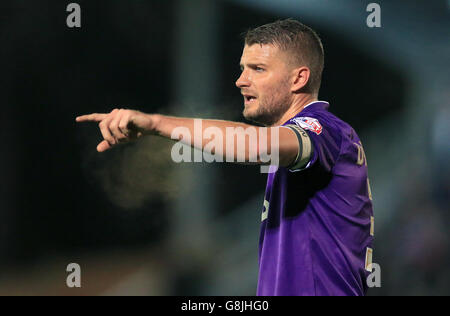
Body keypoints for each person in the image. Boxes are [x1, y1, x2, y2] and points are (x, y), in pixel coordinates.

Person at [76, 19, 374, 296]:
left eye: (258, 69)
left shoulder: (324, 130)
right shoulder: (304, 150)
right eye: (243, 68)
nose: (241, 81)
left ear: (299, 78)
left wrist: (155, 124)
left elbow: (256, 146)